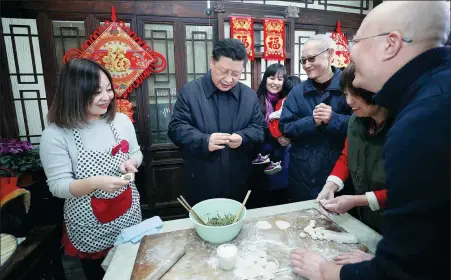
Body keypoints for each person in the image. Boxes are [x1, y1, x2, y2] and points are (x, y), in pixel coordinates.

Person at [290, 1, 450, 279]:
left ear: (391, 44)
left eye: (356, 41)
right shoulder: (433, 91)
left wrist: (326, 271)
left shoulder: (424, 119)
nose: (349, 52)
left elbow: (409, 267)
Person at [40, 58, 142, 280]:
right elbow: (58, 186)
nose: (107, 97)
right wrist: (97, 183)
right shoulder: (56, 134)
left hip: (128, 214)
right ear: (75, 93)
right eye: (97, 92)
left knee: (133, 270)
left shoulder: (121, 121)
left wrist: (132, 163)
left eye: (108, 89)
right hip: (89, 223)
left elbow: (136, 153)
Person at [167, 38, 264, 206]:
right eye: (223, 71)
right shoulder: (190, 92)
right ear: (212, 62)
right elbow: (176, 129)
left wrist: (243, 138)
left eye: (235, 74)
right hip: (202, 179)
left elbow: (259, 130)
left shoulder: (249, 96)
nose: (228, 79)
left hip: (239, 181)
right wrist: (204, 141)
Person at [316, 63, 391, 233]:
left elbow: (408, 190)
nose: (349, 101)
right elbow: (347, 157)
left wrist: (358, 200)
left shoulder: (404, 126)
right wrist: (330, 186)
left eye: (355, 94)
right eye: (345, 94)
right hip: (367, 217)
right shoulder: (356, 120)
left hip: (397, 221)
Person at [279, 34, 352, 202]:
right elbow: (286, 127)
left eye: (311, 59)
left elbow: (364, 126)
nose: (306, 65)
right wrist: (312, 122)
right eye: (303, 60)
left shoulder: (349, 86)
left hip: (338, 174)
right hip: (302, 174)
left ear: (331, 54)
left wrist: (333, 119)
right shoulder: (297, 92)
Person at [252, 63, 290, 175]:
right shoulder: (254, 99)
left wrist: (290, 138)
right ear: (265, 79)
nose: (275, 83)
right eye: (271, 78)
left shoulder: (288, 100)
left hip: (283, 158)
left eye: (279, 79)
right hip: (259, 156)